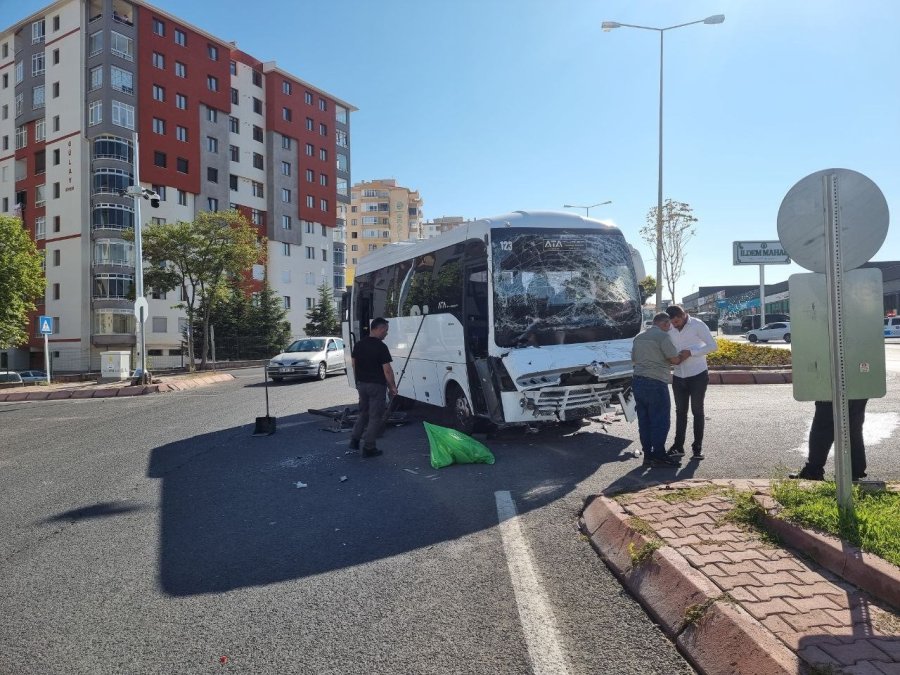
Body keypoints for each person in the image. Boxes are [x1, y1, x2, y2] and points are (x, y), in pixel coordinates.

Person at [631, 312, 691, 468]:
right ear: (664, 323)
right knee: (660, 421)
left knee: (644, 421)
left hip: (638, 381)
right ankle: (659, 454)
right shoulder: (663, 337)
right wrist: (685, 354)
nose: (670, 327)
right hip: (656, 382)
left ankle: (648, 455)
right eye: (669, 325)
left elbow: (634, 359)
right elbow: (674, 359)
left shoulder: (638, 337)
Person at [665, 305, 718, 460]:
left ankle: (697, 448)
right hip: (678, 375)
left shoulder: (697, 325)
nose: (675, 325)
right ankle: (678, 446)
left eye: (677, 321)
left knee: (697, 411)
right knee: (680, 412)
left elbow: (713, 346)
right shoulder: (669, 328)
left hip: (698, 375)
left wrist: (691, 352)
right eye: (672, 322)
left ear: (684, 315)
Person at [349, 317, 398, 458]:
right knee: (375, 417)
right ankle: (369, 447)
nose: (386, 334)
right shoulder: (381, 347)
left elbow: (353, 364)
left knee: (363, 413)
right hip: (376, 386)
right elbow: (387, 370)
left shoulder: (358, 345)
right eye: (386, 331)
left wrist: (358, 380)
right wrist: (392, 387)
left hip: (362, 385)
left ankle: (354, 440)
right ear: (380, 329)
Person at [790, 399, 868, 481]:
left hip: (832, 390)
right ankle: (853, 471)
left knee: (822, 427)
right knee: (852, 427)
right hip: (860, 388)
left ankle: (813, 470)